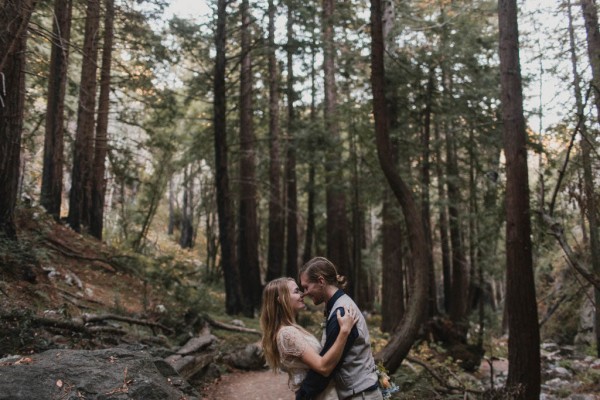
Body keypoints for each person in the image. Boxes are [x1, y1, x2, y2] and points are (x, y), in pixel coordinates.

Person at [296, 257, 383, 400]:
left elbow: (328, 365)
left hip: (361, 395)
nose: (304, 293)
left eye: (306, 287)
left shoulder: (341, 312)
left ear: (321, 281)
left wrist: (303, 395)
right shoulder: (336, 306)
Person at [260, 277, 359, 400]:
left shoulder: (291, 329)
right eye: (296, 291)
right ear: (281, 300)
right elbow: (323, 367)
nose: (302, 294)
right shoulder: (287, 333)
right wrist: (344, 332)